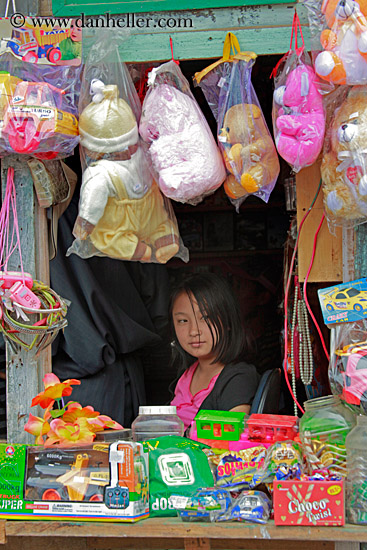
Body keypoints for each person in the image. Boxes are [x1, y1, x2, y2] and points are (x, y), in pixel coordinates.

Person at [169, 272, 260, 431]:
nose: (193, 331)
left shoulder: (239, 378)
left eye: (205, 318)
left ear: (227, 321)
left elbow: (232, 434)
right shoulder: (187, 375)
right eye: (183, 321)